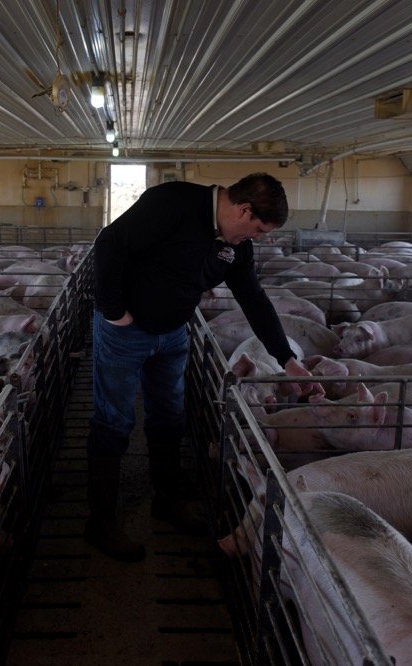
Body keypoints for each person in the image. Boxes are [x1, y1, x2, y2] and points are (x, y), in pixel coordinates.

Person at [86, 172, 318, 562]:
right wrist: (114, 312)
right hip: (126, 332)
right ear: (243, 210)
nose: (258, 239)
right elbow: (110, 243)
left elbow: (253, 298)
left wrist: (287, 359)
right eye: (259, 229)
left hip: (173, 334)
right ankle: (101, 522)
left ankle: (168, 499)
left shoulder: (234, 245)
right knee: (114, 421)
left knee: (169, 416)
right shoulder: (172, 203)